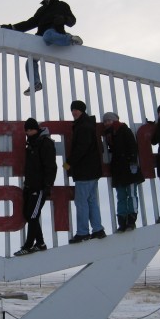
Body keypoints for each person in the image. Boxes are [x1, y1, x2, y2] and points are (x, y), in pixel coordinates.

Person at [0, 0, 82, 95]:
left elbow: (72, 21)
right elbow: (30, 23)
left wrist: (63, 19)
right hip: (41, 37)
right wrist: (12, 27)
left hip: (54, 32)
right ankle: (35, 83)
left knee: (48, 35)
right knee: (30, 60)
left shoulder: (61, 5)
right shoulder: (41, 9)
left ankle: (71, 39)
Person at [63, 101, 107, 243]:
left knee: (81, 202)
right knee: (91, 200)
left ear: (82, 110)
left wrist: (68, 163)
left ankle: (82, 232)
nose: (74, 112)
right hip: (92, 170)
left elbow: (81, 148)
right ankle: (98, 229)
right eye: (73, 110)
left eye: (76, 110)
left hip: (85, 171)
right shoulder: (86, 124)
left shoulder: (83, 126)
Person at [14, 118, 57, 256]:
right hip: (30, 185)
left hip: (40, 187)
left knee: (33, 215)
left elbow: (51, 166)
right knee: (28, 214)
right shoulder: (31, 144)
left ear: (37, 129)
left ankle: (28, 245)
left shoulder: (46, 143)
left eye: (31, 129)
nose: (28, 132)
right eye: (26, 130)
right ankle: (40, 243)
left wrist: (47, 185)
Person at [103, 112, 145, 232]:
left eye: (109, 120)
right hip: (118, 170)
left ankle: (131, 220)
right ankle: (122, 222)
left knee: (131, 194)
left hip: (128, 168)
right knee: (121, 196)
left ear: (115, 120)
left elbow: (133, 146)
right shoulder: (109, 134)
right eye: (105, 121)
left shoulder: (123, 130)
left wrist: (133, 163)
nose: (107, 123)